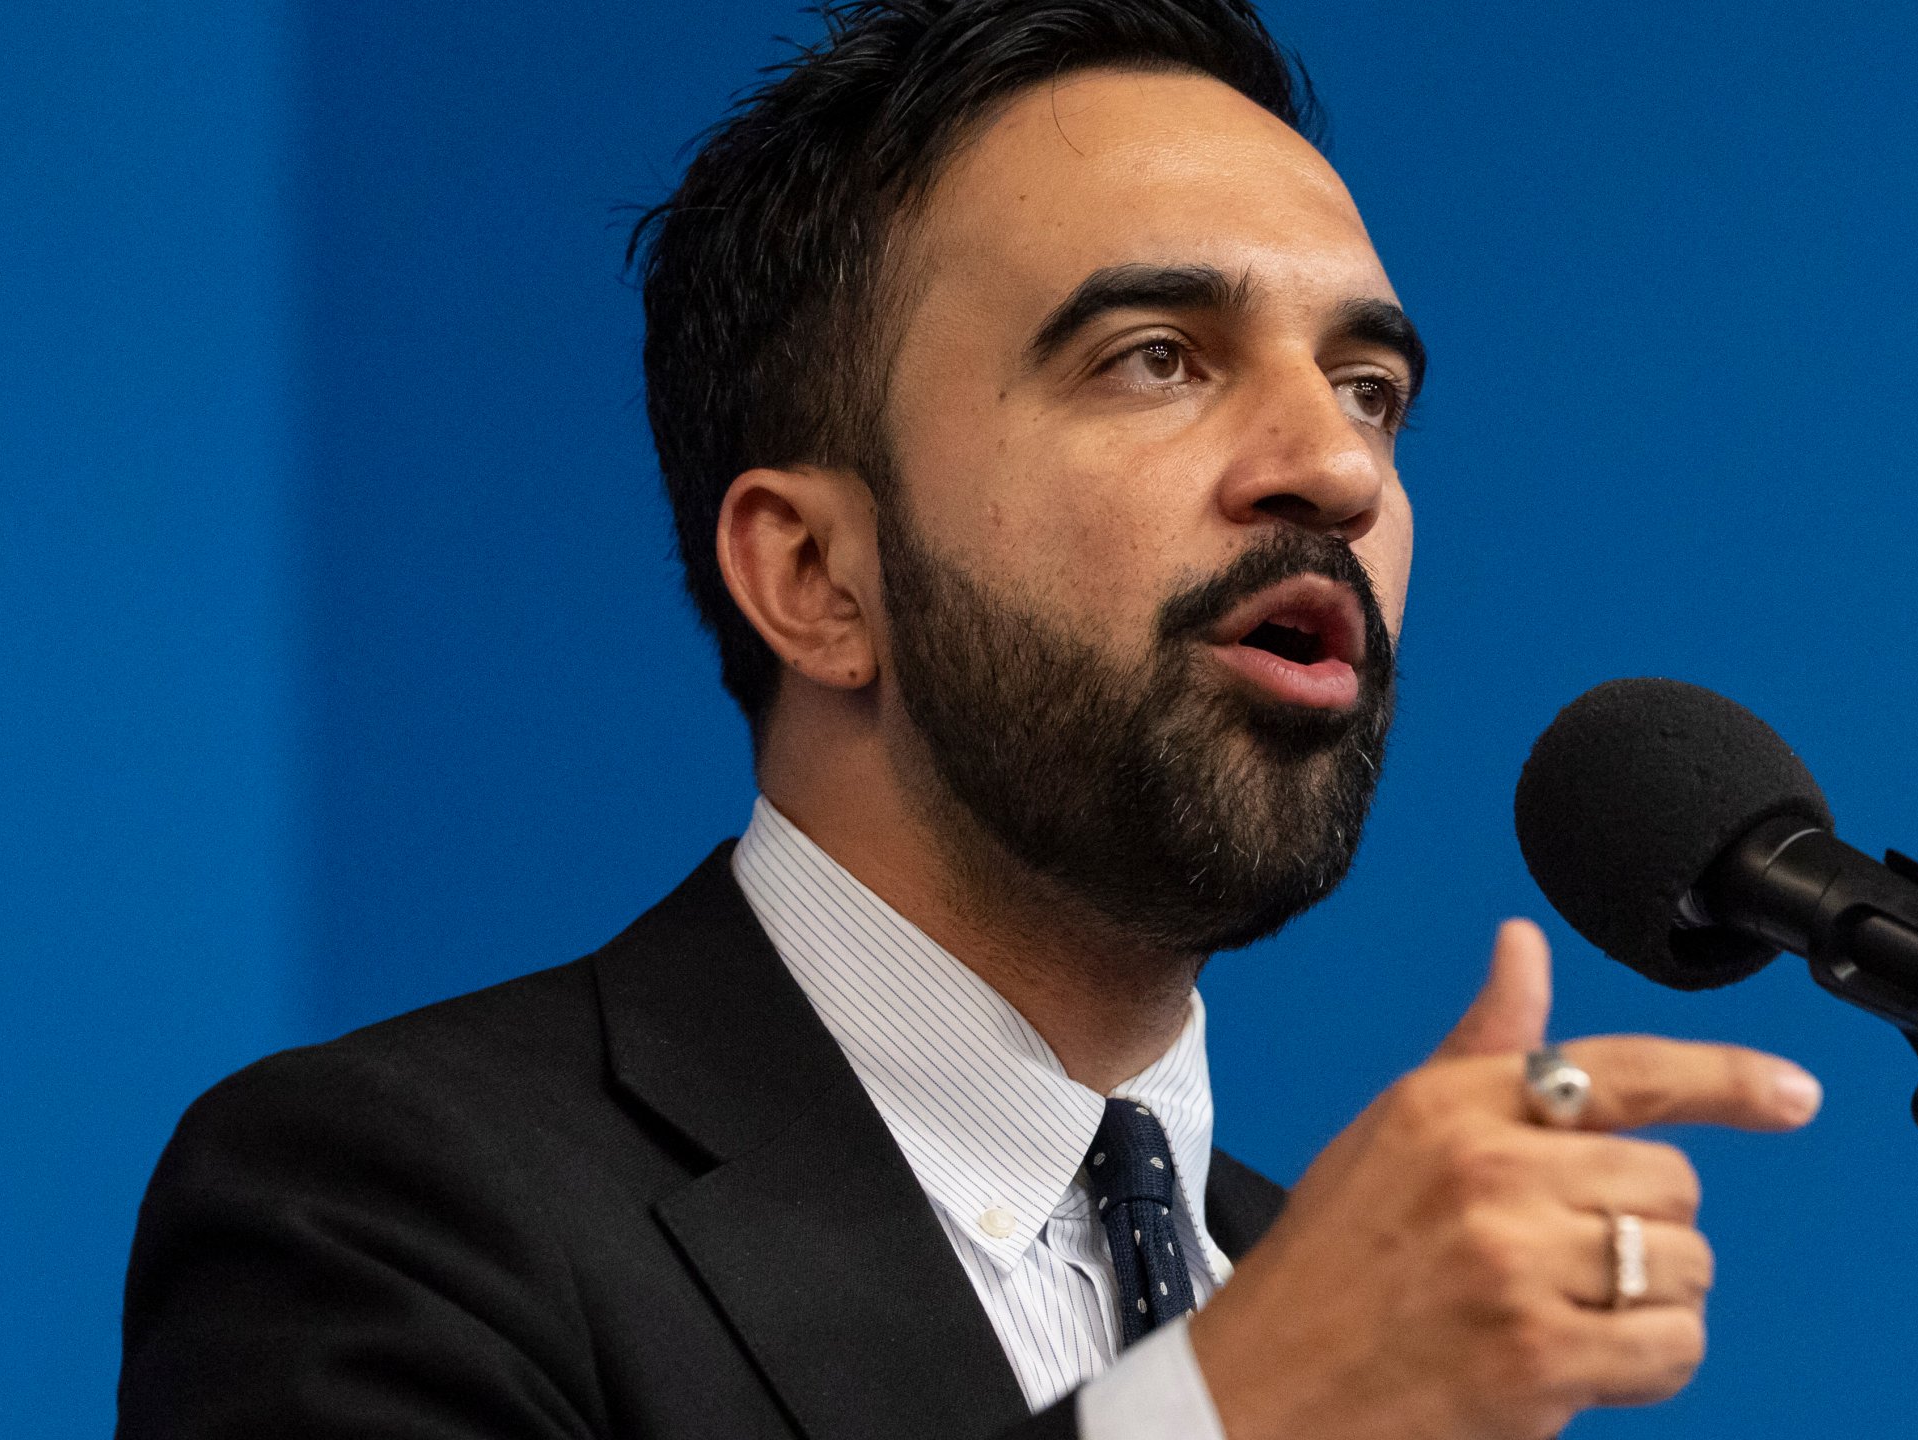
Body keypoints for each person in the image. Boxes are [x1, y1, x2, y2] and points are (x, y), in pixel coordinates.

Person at [116, 2, 1824, 1436]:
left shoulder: (1342, 1305)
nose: (1337, 465)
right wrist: (1225, 1414)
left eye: (1368, 386)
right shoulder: (383, 1210)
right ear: (814, 577)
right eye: (1155, 355)